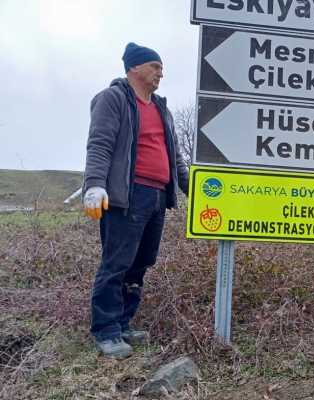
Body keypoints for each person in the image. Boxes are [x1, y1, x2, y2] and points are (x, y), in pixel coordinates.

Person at [83, 42, 189, 359]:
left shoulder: (162, 108)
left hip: (158, 197)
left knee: (141, 263)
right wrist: (94, 185)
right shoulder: (112, 99)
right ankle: (106, 330)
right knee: (117, 263)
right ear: (135, 68)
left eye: (161, 67)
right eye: (155, 66)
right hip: (126, 196)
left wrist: (191, 188)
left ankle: (124, 322)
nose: (161, 73)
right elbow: (99, 144)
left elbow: (176, 159)